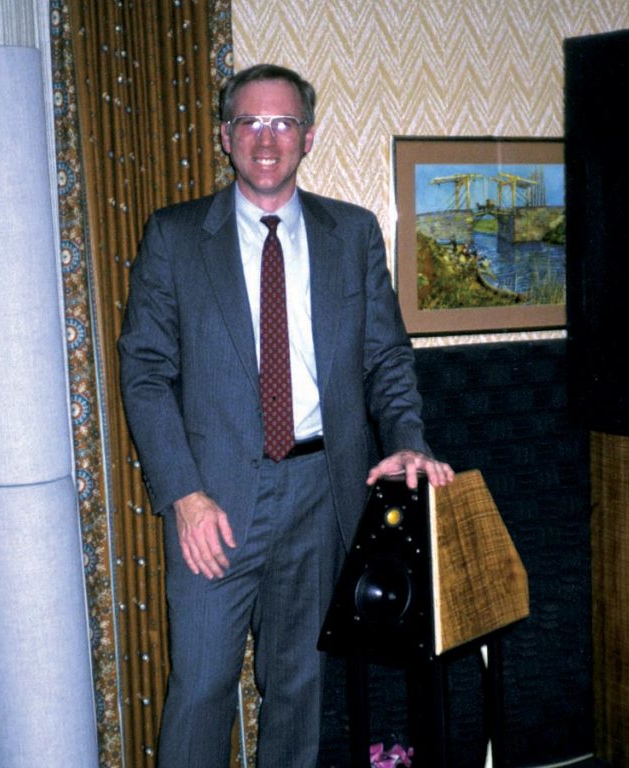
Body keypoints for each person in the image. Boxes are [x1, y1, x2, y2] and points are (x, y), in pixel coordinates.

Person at [118, 63, 454, 768]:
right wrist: (184, 495)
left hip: (317, 491)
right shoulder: (177, 238)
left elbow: (386, 358)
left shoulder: (353, 234)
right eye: (250, 123)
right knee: (203, 685)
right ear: (224, 136)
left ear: (307, 137)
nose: (266, 139)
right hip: (213, 499)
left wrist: (409, 441)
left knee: (299, 687)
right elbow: (146, 374)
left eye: (283, 123)